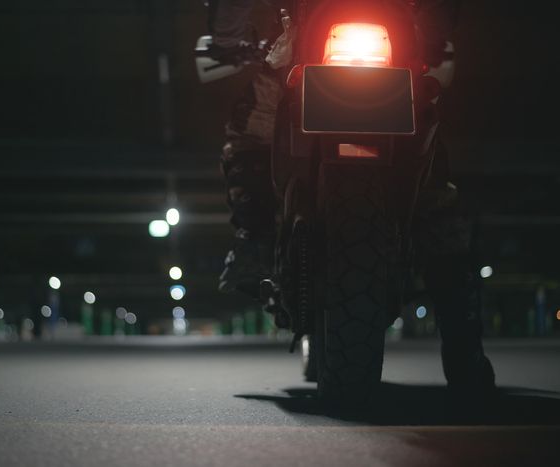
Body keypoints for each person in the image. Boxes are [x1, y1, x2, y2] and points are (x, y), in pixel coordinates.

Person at [206, 0, 496, 396]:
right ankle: (464, 352)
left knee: (250, 135)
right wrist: (434, 35)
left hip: (313, 60)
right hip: (394, 64)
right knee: (435, 200)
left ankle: (255, 237)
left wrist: (227, 41)